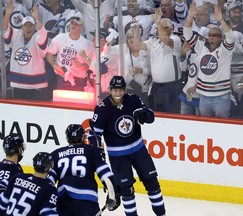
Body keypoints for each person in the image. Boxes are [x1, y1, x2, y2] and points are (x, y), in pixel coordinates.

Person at [88, 76, 166, 216]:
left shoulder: (133, 100)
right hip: (118, 158)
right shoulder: (102, 109)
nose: (118, 93)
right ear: (110, 90)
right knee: (126, 191)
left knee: (153, 184)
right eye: (115, 90)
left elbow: (151, 116)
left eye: (120, 90)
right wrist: (97, 153)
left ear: (124, 90)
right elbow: (93, 136)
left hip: (139, 151)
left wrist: (145, 115)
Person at [48, 124, 118, 216]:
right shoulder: (92, 150)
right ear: (83, 137)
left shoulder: (55, 154)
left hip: (64, 200)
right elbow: (105, 174)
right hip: (87, 199)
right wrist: (113, 193)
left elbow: (47, 183)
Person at [184, 2, 235, 118]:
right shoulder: (201, 47)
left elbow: (231, 37)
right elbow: (187, 34)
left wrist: (221, 20)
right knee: (207, 128)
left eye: (216, 35)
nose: (212, 37)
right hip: (204, 97)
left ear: (221, 38)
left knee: (222, 127)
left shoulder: (225, 51)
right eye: (210, 35)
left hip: (221, 98)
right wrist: (190, 17)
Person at [134, 11, 183, 113]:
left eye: (164, 27)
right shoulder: (153, 41)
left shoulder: (176, 39)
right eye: (159, 28)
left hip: (172, 87)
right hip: (156, 87)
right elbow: (137, 46)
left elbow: (165, 40)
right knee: (155, 115)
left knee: (171, 117)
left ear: (171, 28)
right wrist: (135, 30)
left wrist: (158, 22)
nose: (160, 29)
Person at [3, 1, 51, 101]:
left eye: (31, 25)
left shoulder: (37, 37)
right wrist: (7, 14)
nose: (28, 28)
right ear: (22, 27)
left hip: (37, 85)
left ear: (34, 27)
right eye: (26, 25)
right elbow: (5, 30)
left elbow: (43, 34)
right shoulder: (16, 35)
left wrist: (37, 19)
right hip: (18, 83)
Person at [46, 11, 95, 92]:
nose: (73, 26)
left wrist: (80, 64)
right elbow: (49, 53)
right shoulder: (60, 37)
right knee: (60, 103)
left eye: (76, 24)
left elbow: (91, 66)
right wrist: (55, 66)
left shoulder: (88, 44)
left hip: (79, 80)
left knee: (78, 104)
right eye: (72, 23)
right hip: (62, 77)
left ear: (81, 26)